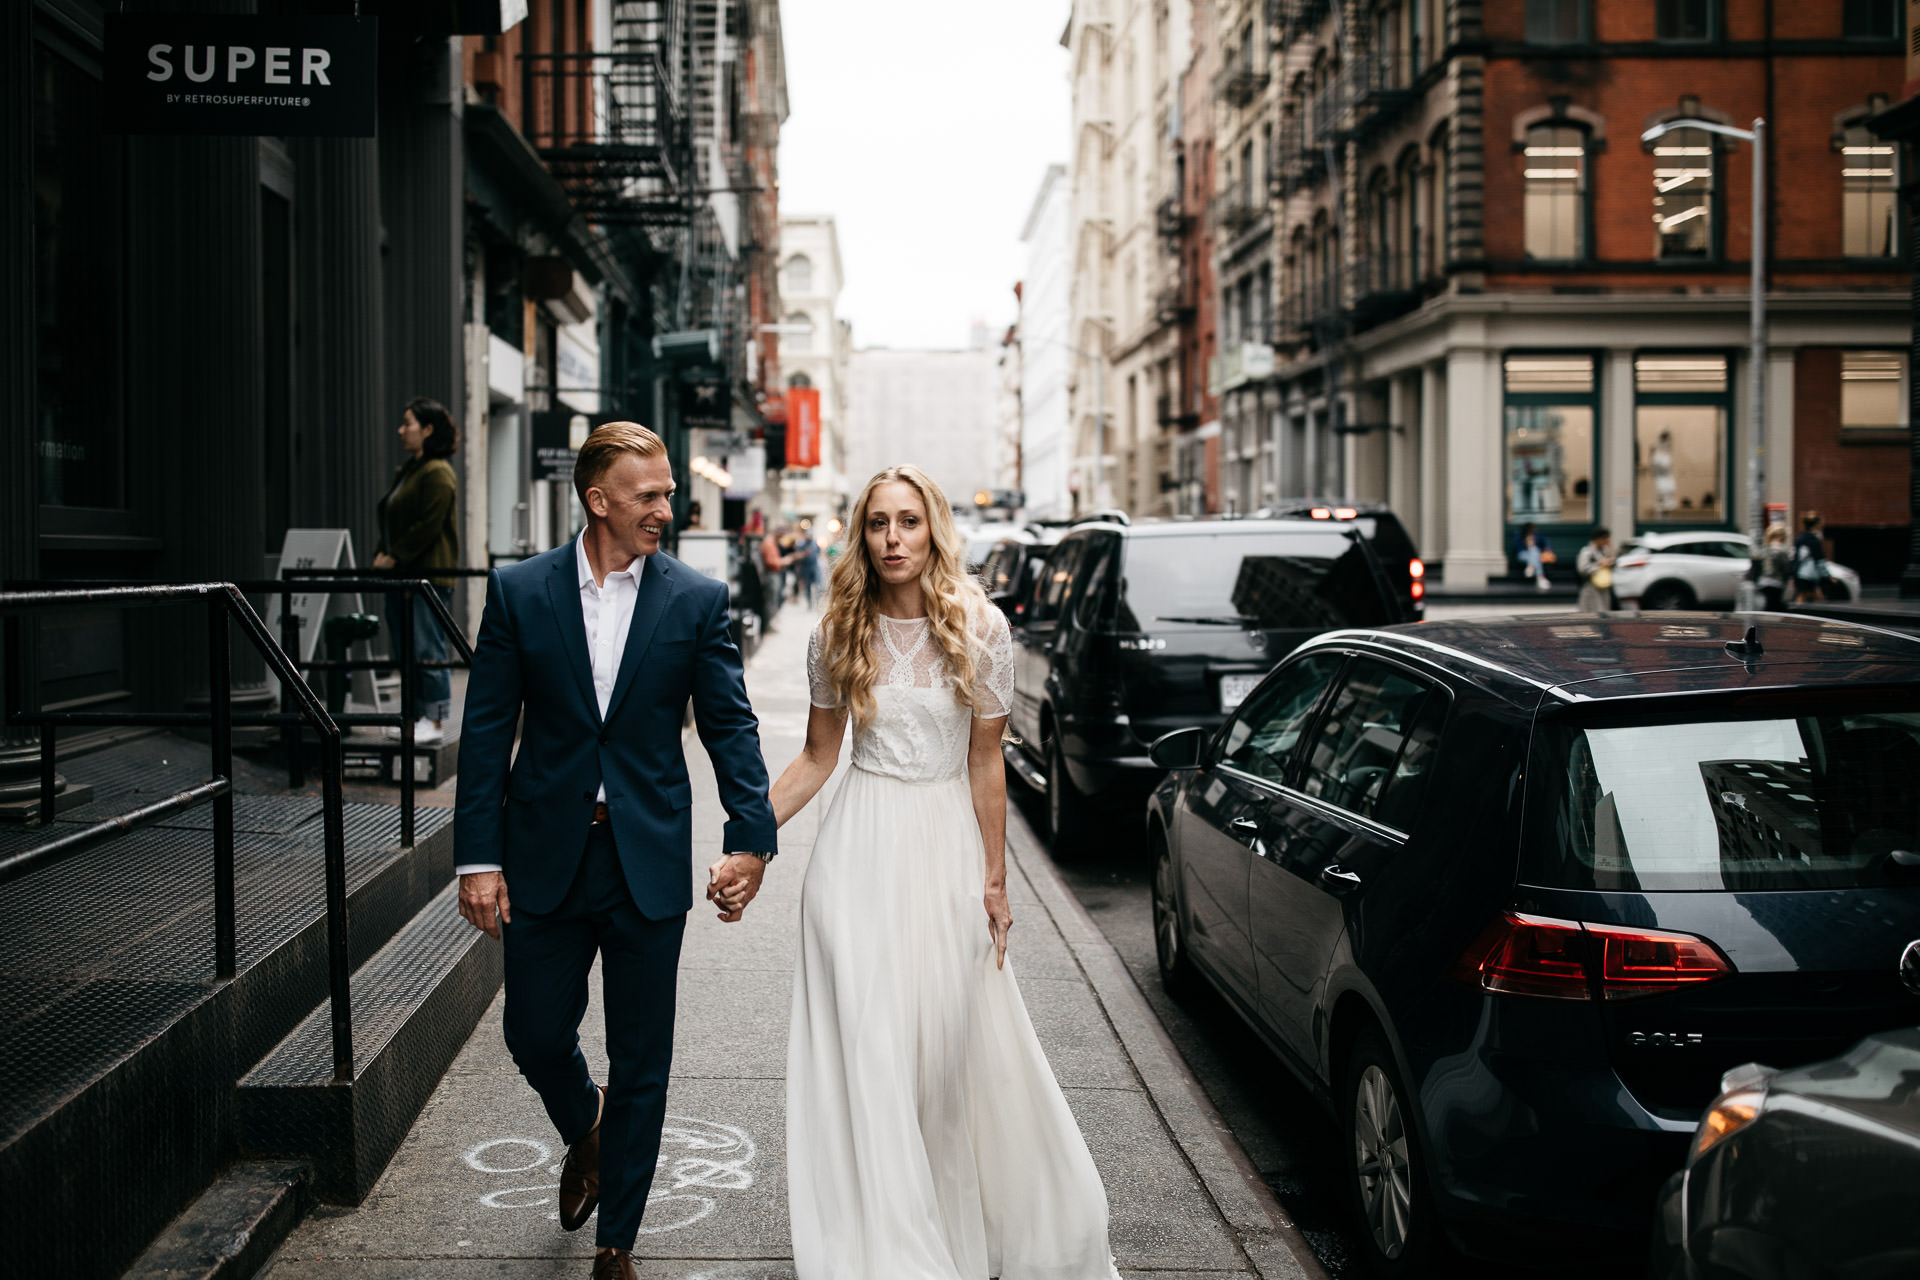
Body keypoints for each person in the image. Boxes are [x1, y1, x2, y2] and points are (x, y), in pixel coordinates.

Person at [767, 464, 1123, 1280]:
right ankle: (889, 1249)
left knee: (940, 1059)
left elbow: (986, 762)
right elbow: (818, 757)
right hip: (857, 854)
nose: (893, 538)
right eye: (878, 523)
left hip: (943, 852)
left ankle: (950, 1222)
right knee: (871, 1051)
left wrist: (994, 880)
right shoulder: (837, 632)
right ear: (862, 536)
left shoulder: (980, 627)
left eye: (908, 521)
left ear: (933, 530)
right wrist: (748, 838)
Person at [453, 422, 777, 1280]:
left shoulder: (695, 600)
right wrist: (477, 858)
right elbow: (485, 732)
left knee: (642, 1060)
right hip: (544, 853)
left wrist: (751, 838)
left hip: (648, 857)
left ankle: (617, 1243)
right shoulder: (521, 592)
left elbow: (730, 727)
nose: (667, 508)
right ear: (598, 501)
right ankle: (587, 1125)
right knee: (532, 1034)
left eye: (668, 492)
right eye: (650, 495)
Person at [373, 397, 460, 745]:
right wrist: (384, 555)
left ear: (427, 429)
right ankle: (413, 718)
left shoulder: (437, 471)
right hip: (404, 576)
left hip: (427, 577)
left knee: (426, 648)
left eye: (407, 423)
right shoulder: (412, 470)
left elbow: (428, 525)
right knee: (407, 650)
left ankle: (434, 721)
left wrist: (393, 556)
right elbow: (395, 520)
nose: (400, 430)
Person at [1753, 524, 1793, 612]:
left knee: (1767, 605)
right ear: (1782, 537)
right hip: (1776, 582)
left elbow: (1757, 565)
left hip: (1763, 581)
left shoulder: (1764, 549)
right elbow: (1786, 568)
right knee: (1774, 606)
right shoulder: (1782, 550)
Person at [1793, 511, 1829, 605]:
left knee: (1802, 596)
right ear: (1817, 524)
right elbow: (1819, 559)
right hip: (1809, 573)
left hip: (1799, 572)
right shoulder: (1814, 539)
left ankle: (1798, 613)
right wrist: (1827, 575)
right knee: (1816, 597)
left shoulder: (1800, 537)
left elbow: (1795, 556)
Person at [1576, 527, 1614, 612]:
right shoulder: (1587, 551)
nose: (1607, 541)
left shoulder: (1605, 550)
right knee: (1592, 613)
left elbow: (1613, 562)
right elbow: (1582, 568)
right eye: (1605, 538)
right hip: (1591, 588)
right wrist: (1599, 566)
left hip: (1604, 587)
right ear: (1598, 539)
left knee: (1604, 612)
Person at [1514, 522, 1554, 592]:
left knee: (1535, 551)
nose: (1534, 529)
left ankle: (1531, 567)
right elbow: (1516, 547)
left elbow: (1545, 543)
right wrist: (1525, 542)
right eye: (1532, 528)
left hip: (1534, 554)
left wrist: (1546, 549)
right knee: (1536, 555)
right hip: (1523, 554)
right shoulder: (1519, 535)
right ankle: (1540, 577)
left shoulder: (1537, 535)